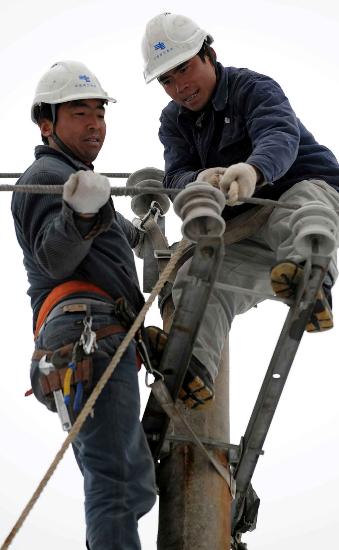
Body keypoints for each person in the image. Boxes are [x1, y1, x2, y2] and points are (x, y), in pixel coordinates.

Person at [141, 13, 339, 409]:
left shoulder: (252, 88)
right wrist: (200, 179)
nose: (178, 86)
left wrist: (255, 170)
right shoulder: (173, 121)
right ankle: (193, 366)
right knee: (199, 280)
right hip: (247, 229)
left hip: (309, 198)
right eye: (166, 80)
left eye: (184, 68)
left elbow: (279, 134)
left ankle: (312, 281)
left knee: (294, 209)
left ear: (209, 55)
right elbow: (175, 174)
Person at [11, 60, 156, 549]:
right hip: (85, 334)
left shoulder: (81, 179)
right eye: (80, 113)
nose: (95, 124)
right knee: (117, 484)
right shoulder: (49, 175)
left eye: (100, 112)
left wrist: (152, 232)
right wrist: (80, 211)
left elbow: (120, 240)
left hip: (98, 335)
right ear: (47, 124)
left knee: (130, 482)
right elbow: (54, 257)